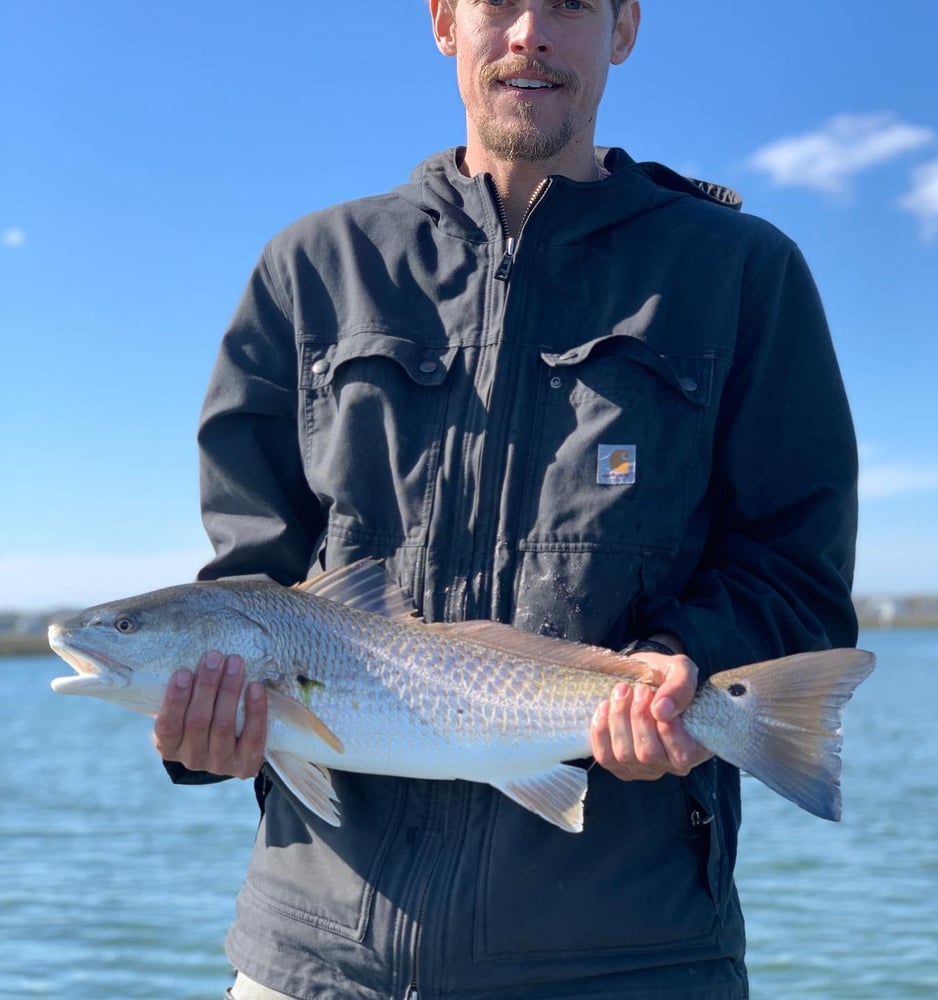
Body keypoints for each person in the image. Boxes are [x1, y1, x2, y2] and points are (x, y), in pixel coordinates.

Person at [154, 2, 860, 998]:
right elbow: (251, 583)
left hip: (630, 960)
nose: (530, 32)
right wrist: (206, 727)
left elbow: (795, 572)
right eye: (498, 3)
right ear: (445, 22)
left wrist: (681, 668)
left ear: (623, 29)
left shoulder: (742, 272)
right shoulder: (309, 271)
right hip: (313, 961)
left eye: (571, 4)